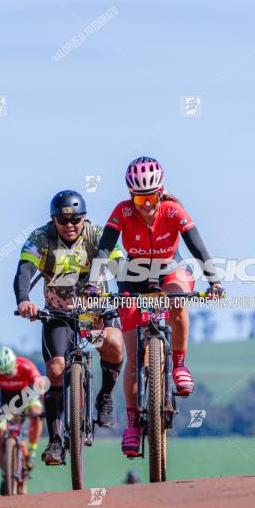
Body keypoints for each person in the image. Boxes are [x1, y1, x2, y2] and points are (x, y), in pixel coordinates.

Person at [87, 156, 225, 457]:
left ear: (160, 192)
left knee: (177, 302)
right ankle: (134, 425)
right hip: (133, 275)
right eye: (139, 197)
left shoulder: (174, 211)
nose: (146, 205)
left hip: (168, 269)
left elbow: (198, 249)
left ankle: (178, 365)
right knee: (134, 359)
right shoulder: (122, 212)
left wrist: (214, 281)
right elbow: (104, 249)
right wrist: (92, 283)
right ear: (130, 195)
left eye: (150, 197)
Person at [14, 190, 125, 466]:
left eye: (75, 219)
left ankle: (105, 397)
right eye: (63, 221)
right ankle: (54, 441)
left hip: (95, 313)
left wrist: (126, 295)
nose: (70, 225)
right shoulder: (41, 238)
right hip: (59, 314)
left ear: (83, 218)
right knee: (54, 369)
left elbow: (121, 268)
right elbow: (24, 271)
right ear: (54, 220)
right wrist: (25, 300)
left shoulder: (97, 234)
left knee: (113, 343)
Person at [0, 345, 50, 495]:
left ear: (14, 363)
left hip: (27, 400)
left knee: (36, 412)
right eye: (4, 373)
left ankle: (32, 451)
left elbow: (40, 387)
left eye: (9, 371)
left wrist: (47, 407)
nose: (8, 375)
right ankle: (5, 473)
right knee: (1, 437)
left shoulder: (26, 366)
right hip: (6, 407)